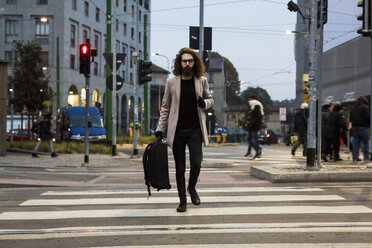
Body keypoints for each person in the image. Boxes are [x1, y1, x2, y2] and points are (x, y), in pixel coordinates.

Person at [155, 47, 214, 212]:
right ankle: (182, 200)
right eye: (184, 61)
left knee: (196, 164)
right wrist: (161, 128)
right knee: (179, 168)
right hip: (178, 131)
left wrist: (205, 103)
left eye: (190, 61)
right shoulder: (171, 82)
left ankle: (192, 187)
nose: (187, 64)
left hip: (195, 130)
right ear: (179, 63)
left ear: (195, 63)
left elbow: (210, 98)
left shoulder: (201, 80)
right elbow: (165, 107)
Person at [350, 96, 370, 163]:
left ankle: (355, 158)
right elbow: (367, 117)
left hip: (355, 128)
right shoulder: (365, 107)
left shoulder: (353, 108)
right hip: (363, 128)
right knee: (365, 143)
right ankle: (366, 158)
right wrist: (368, 125)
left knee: (356, 144)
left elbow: (350, 119)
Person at [246, 95, 264, 160]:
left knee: (254, 139)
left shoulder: (257, 106)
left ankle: (258, 153)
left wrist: (250, 123)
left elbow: (257, 117)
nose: (249, 101)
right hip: (251, 126)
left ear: (252, 100)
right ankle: (258, 149)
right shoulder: (253, 106)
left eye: (249, 100)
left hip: (255, 126)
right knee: (249, 139)